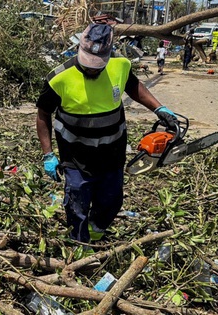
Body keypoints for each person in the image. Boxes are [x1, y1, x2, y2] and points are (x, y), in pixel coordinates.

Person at [35, 23, 178, 244]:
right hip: (76, 157)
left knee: (112, 201)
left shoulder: (120, 67)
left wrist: (159, 108)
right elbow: (43, 115)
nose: (92, 69)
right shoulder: (59, 78)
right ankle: (79, 245)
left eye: (97, 65)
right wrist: (48, 154)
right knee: (76, 204)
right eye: (88, 64)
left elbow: (135, 87)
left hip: (112, 153)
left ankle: (96, 231)